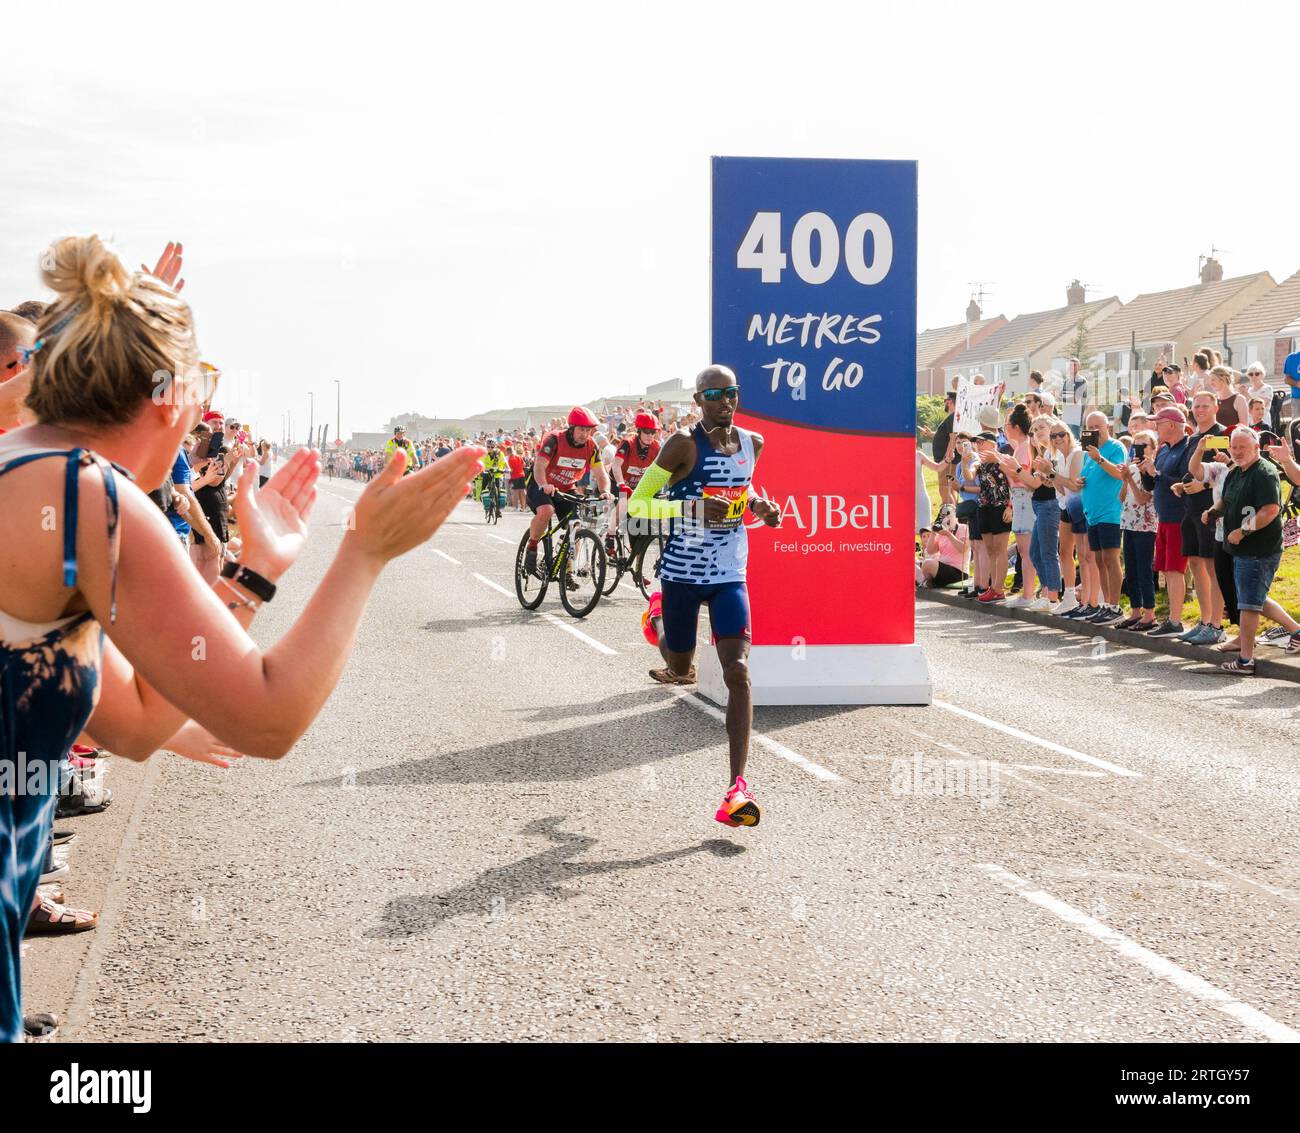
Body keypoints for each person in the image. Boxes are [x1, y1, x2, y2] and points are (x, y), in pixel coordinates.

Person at [0, 233, 484, 1042]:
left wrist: (252, 575)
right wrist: (364, 553)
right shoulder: (89, 494)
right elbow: (267, 718)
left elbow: (138, 720)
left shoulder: (27, 463)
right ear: (170, 398)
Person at [628, 366, 781, 828]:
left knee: (738, 670)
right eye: (714, 394)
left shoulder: (754, 443)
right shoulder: (682, 445)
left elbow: (743, 488)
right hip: (680, 574)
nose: (725, 401)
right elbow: (638, 506)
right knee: (680, 668)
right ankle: (656, 616)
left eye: (731, 392)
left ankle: (737, 789)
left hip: (730, 574)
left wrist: (759, 508)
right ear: (698, 400)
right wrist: (689, 506)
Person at [1209, 428, 1284, 674]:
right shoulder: (1236, 471)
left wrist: (1243, 531)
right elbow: (1226, 500)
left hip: (1259, 549)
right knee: (1253, 599)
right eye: (1234, 447)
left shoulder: (1264, 472)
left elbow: (1270, 510)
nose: (1238, 451)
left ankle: (1245, 660)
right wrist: (1213, 511)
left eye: (1243, 447)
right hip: (1240, 549)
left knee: (1249, 605)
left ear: (1256, 447)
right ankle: (1296, 631)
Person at [523, 407, 610, 577]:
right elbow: (539, 465)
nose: (585, 434)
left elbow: (601, 474)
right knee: (547, 510)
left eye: (588, 430)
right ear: (571, 428)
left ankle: (567, 568)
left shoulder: (591, 446)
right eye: (581, 430)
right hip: (541, 483)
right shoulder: (555, 439)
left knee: (577, 525)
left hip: (567, 487)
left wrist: (605, 491)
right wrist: (544, 484)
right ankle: (532, 546)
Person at [1139, 406, 1193, 637]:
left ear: (1171, 424)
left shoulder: (1188, 447)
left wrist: (1157, 474)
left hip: (1179, 517)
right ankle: (1172, 619)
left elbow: (1185, 480)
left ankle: (1175, 620)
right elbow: (1152, 485)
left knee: (1174, 570)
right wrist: (1145, 472)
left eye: (1158, 423)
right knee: (1167, 570)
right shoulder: (1162, 450)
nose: (1155, 427)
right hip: (1164, 517)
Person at [1078, 411, 1127, 623]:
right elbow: (1089, 475)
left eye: (1098, 426)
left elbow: (1118, 473)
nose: (1094, 430)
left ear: (1107, 426)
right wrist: (1080, 481)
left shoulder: (1116, 447)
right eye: (1090, 427)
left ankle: (1115, 607)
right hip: (1092, 513)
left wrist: (1099, 458)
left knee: (1110, 559)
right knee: (1099, 560)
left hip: (1110, 511)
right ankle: (1107, 605)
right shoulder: (1087, 452)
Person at [1116, 428, 1158, 631]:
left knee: (1144, 569)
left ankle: (1150, 613)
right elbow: (1122, 498)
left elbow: (1143, 498)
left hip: (1146, 525)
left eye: (1144, 446)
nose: (1139, 450)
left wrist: (1131, 479)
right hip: (1128, 523)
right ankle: (1135, 611)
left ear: (1153, 449)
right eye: (1136, 446)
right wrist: (1125, 478)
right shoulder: (1131, 468)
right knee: (1130, 570)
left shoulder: (1152, 470)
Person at [606, 411, 661, 554]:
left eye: (653, 432)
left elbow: (660, 470)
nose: (650, 435)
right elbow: (616, 465)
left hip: (638, 485)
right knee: (623, 502)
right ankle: (610, 534)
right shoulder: (627, 443)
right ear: (639, 431)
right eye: (647, 431)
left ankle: (637, 566)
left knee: (642, 525)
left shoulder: (656, 447)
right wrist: (621, 484)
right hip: (619, 480)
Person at [973, 431, 1012, 603]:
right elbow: (969, 476)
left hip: (1001, 505)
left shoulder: (1003, 458)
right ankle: (993, 587)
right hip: (984, 506)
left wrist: (1010, 507)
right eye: (977, 443)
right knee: (990, 549)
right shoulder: (979, 463)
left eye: (982, 442)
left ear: (992, 443)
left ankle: (998, 588)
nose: (978, 445)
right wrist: (966, 460)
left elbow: (1014, 480)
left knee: (1000, 548)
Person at [917, 504, 969, 589]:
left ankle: (930, 582)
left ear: (956, 517)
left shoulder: (963, 528)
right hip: (942, 568)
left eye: (949, 515)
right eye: (944, 516)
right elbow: (930, 551)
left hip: (959, 572)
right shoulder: (941, 532)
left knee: (928, 564)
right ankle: (930, 582)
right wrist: (933, 533)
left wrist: (948, 534)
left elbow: (963, 549)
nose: (947, 518)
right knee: (923, 564)